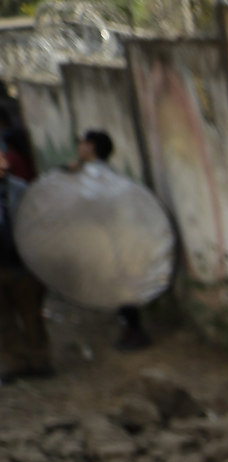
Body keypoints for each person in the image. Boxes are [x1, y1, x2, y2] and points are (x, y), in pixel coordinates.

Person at [67, 129, 152, 351]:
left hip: (112, 239)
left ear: (91, 146)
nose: (79, 146)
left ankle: (133, 331)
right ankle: (130, 329)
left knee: (122, 287)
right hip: (111, 238)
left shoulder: (98, 174)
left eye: (82, 142)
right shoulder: (96, 171)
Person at [0, 143, 52, 380]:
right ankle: (15, 363)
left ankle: (40, 361)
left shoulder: (20, 189)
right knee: (4, 321)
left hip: (22, 265)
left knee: (32, 316)